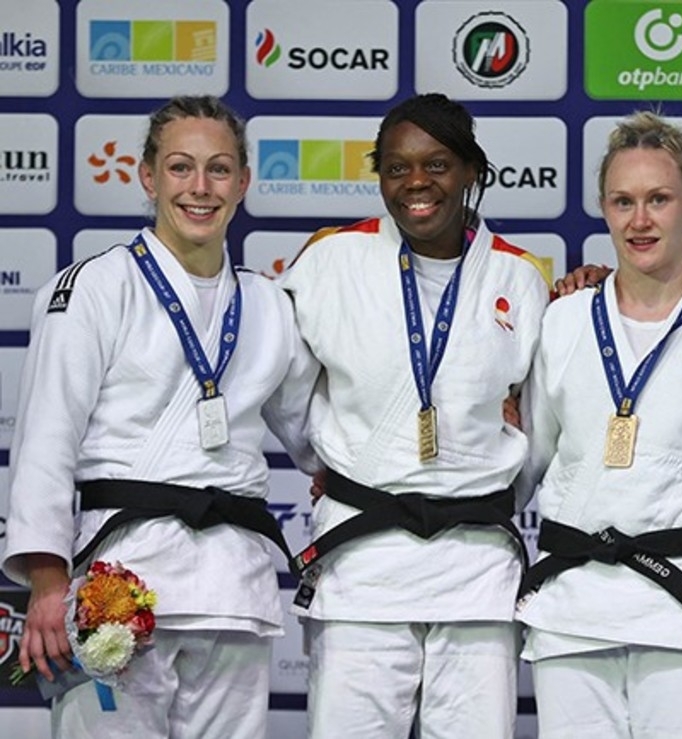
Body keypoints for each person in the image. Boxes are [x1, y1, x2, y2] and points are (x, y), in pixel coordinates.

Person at [2, 95, 321, 739]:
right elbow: (46, 441)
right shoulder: (94, 287)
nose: (200, 187)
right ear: (148, 177)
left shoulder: (269, 305)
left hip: (233, 589)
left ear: (243, 182)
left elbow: (320, 437)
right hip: (119, 582)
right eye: (180, 167)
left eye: (219, 169)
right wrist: (47, 582)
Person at [279, 92, 550, 739]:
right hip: (362, 562)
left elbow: (540, 427)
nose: (416, 183)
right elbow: (288, 392)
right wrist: (334, 464)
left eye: (437, 165)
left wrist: (489, 493)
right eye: (397, 167)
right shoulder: (331, 261)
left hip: (476, 567)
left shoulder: (518, 277)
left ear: (472, 171)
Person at [515, 111, 682, 738]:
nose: (639, 220)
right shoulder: (564, 320)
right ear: (603, 208)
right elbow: (527, 460)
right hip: (572, 608)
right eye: (623, 201)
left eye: (658, 199)